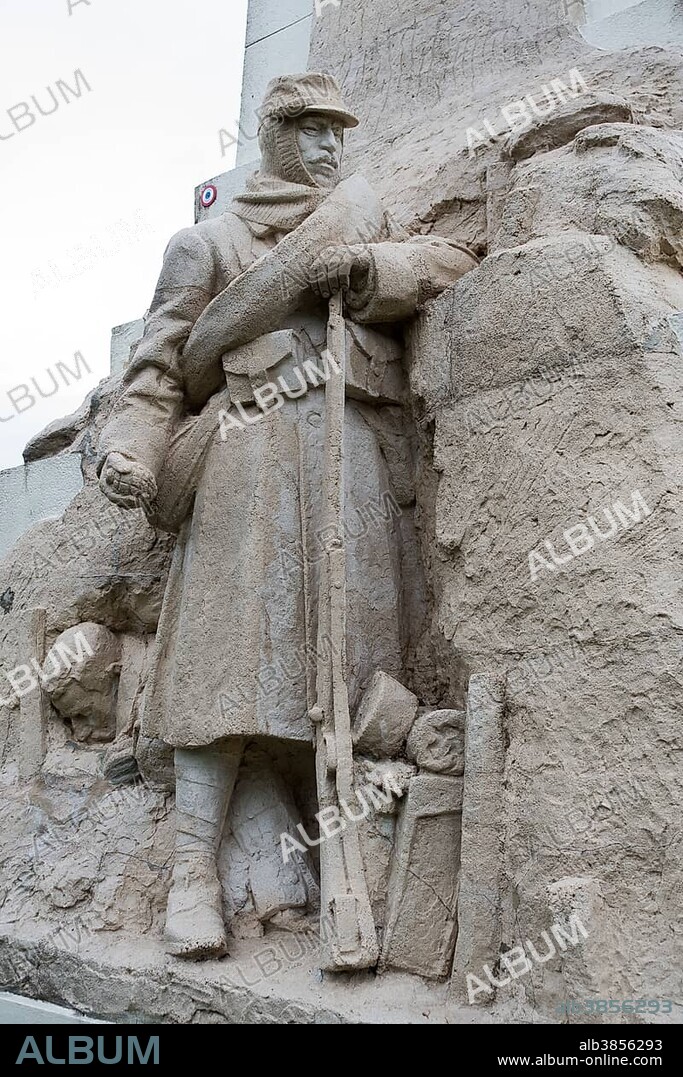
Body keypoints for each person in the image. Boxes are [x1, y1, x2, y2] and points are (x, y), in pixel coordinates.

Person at [98, 72, 477, 959]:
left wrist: (366, 268)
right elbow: (155, 371)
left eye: (335, 133)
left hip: (346, 464)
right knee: (224, 664)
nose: (326, 147)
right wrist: (130, 449)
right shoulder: (207, 242)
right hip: (245, 462)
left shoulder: (357, 216)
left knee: (348, 666)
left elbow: (448, 261)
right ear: (271, 136)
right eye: (307, 130)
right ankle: (192, 874)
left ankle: (343, 868)